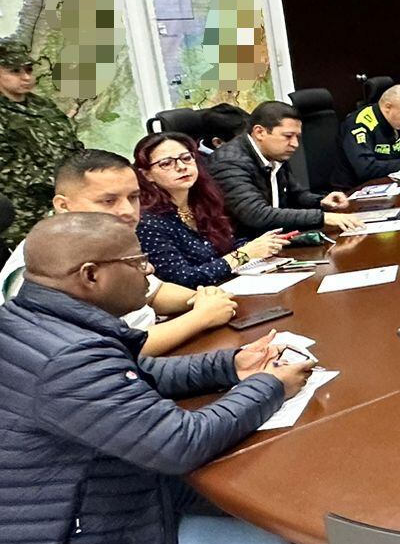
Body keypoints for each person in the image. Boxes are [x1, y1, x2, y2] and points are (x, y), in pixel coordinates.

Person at [0, 213, 314, 544]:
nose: (149, 273)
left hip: (55, 507)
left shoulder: (34, 320)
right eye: (137, 261)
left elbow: (131, 376)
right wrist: (271, 387)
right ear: (91, 275)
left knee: (227, 500)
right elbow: (179, 445)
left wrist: (230, 366)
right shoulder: (67, 357)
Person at [0, 150, 239, 355]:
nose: (127, 211)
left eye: (133, 197)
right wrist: (200, 318)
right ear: (63, 206)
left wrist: (201, 299)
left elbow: (154, 293)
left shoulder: (108, 240)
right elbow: (100, 350)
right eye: (108, 201)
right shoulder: (38, 265)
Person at [134, 133, 289, 288]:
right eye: (166, 163)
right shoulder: (148, 222)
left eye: (186, 158)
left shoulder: (203, 202)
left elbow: (230, 242)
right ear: (147, 175)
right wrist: (245, 254)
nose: (181, 167)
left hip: (232, 288)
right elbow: (183, 279)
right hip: (196, 304)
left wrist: (262, 246)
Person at [210, 101, 363, 238]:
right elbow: (256, 214)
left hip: (275, 239)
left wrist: (321, 202)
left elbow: (295, 194)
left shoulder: (273, 153)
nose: (295, 144)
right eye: (288, 136)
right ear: (260, 132)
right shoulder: (229, 162)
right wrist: (323, 217)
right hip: (244, 248)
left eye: (297, 137)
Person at [0, 40, 84, 246]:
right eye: (15, 71)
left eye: (28, 69)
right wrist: (63, 184)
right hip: (24, 214)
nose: (26, 77)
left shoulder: (43, 105)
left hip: (65, 203)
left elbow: (72, 144)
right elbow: (8, 168)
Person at [336, 85, 400, 186]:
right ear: (388, 107)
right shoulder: (360, 124)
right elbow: (366, 169)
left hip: (389, 181)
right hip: (354, 189)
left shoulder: (396, 122)